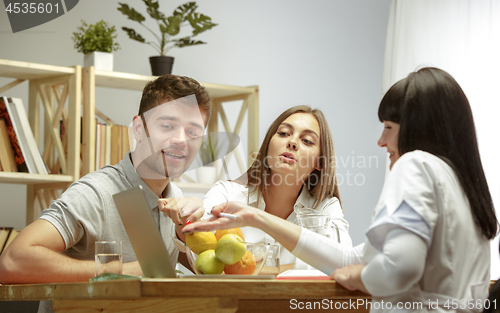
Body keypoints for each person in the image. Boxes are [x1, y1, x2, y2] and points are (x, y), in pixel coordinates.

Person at [183, 67, 497, 312]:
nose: (381, 141)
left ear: (419, 127)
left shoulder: (414, 165)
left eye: (388, 127)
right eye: (284, 133)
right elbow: (350, 257)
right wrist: (257, 218)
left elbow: (398, 269)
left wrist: (360, 278)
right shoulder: (463, 187)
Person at [0, 75, 212, 312]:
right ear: (139, 129)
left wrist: (188, 233)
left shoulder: (175, 197)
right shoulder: (95, 193)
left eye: (193, 132)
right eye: (167, 126)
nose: (181, 140)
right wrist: (121, 270)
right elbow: (12, 261)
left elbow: (203, 272)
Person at [187, 105, 355, 271]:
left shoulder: (326, 207)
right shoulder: (226, 194)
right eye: (283, 133)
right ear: (268, 145)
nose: (292, 142)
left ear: (320, 162)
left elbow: (343, 264)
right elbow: (201, 251)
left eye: (307, 141)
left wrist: (256, 269)